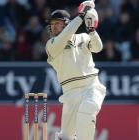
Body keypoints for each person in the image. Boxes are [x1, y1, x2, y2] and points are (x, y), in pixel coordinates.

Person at [45, 1, 106, 140]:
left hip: (91, 86)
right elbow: (65, 36)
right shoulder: (51, 45)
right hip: (70, 94)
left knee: (88, 109)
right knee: (65, 137)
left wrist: (91, 30)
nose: (53, 27)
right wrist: (80, 17)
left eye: (57, 23)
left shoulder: (83, 37)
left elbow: (98, 47)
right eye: (52, 24)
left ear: (66, 23)